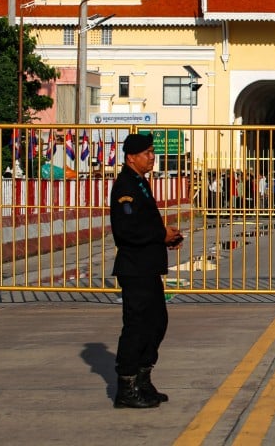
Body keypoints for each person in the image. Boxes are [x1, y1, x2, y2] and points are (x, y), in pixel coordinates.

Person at [110, 133, 183, 409]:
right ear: (131, 157)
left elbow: (146, 224)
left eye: (153, 152)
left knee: (156, 323)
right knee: (137, 326)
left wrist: (167, 237)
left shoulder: (140, 183)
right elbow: (127, 230)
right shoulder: (125, 186)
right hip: (135, 268)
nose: (152, 157)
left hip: (148, 266)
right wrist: (159, 234)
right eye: (147, 153)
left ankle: (143, 378)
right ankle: (126, 386)